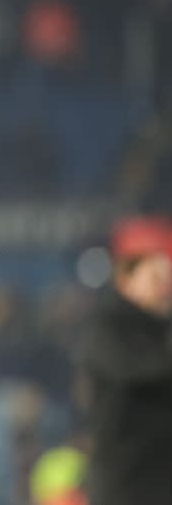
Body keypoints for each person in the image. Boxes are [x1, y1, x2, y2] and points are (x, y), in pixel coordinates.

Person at [82, 216, 172, 505]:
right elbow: (140, 370)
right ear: (125, 278)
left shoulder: (162, 328)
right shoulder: (108, 328)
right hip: (127, 485)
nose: (165, 287)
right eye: (156, 277)